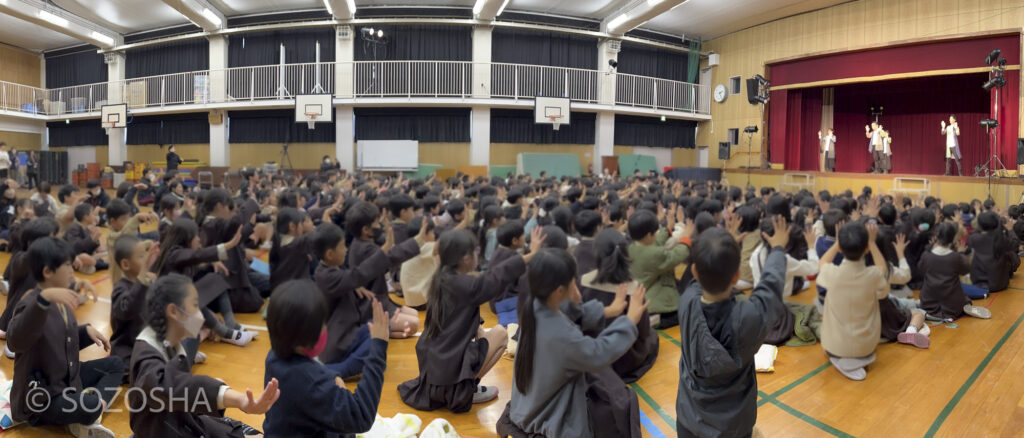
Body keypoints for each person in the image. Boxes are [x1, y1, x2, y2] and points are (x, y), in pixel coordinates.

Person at [498, 248, 646, 438]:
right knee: (619, 404)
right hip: (548, 421)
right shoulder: (560, 335)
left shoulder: (535, 305)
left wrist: (609, 310)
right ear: (559, 290)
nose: (576, 287)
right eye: (572, 282)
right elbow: (599, 353)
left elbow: (572, 310)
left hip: (526, 407)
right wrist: (630, 321)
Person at [398, 227, 545, 413]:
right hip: (447, 380)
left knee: (482, 330)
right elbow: (498, 275)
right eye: (475, 252)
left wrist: (479, 330)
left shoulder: (440, 277)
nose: (478, 255)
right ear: (466, 259)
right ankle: (467, 390)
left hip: (432, 373)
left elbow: (464, 314)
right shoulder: (468, 286)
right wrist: (531, 254)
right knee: (500, 333)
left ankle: (463, 386)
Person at [128, 274, 279, 437]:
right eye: (195, 305)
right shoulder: (146, 354)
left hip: (184, 421)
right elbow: (172, 388)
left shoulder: (173, 343)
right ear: (173, 311)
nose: (201, 314)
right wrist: (238, 399)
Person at [675, 221, 787, 437]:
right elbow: (770, 288)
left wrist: (716, 255)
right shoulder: (748, 317)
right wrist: (778, 249)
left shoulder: (687, 302)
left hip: (690, 420)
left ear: (695, 271)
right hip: (732, 427)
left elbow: (699, 278)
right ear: (736, 276)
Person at [8, 237, 123, 438]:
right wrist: (43, 301)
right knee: (89, 404)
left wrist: (84, 332)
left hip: (68, 380)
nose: (73, 269)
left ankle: (89, 415)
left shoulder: (62, 298)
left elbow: (57, 341)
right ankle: (86, 415)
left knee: (115, 365)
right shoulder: (32, 302)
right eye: (67, 265)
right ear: (47, 272)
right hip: (43, 397)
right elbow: (15, 341)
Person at [263, 281, 390, 437]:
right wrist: (378, 347)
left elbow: (310, 374)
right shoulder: (310, 382)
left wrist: (332, 376)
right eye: (323, 324)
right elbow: (361, 416)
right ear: (308, 336)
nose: (326, 328)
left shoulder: (274, 356)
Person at [579, 228, 659, 382]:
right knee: (652, 336)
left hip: (593, 354)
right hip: (625, 357)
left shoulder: (582, 281)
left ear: (596, 254)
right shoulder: (633, 287)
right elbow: (642, 331)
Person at [817, 220, 888, 380]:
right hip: (868, 347)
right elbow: (882, 268)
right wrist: (872, 242)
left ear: (840, 248)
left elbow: (822, 262)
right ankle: (855, 361)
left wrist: (837, 243)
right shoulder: (873, 275)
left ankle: (843, 360)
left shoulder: (831, 273)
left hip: (833, 347)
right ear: (867, 248)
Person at [627, 208, 689, 329]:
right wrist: (686, 238)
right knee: (688, 312)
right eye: (654, 232)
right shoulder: (653, 254)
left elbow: (655, 242)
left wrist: (668, 229)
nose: (656, 235)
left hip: (640, 299)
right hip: (657, 309)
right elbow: (677, 255)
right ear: (648, 235)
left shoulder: (632, 247)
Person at [919, 222, 992, 320]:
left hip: (928, 303)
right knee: (965, 299)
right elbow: (965, 270)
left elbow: (921, 269)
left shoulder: (926, 255)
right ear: (952, 237)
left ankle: (933, 314)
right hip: (951, 305)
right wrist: (961, 253)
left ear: (937, 236)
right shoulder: (955, 257)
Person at [109, 235, 160, 374]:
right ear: (126, 264)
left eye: (145, 256)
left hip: (148, 346)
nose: (146, 261)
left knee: (189, 337)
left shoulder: (147, 282)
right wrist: (144, 276)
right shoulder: (120, 288)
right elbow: (128, 308)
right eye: (141, 257)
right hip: (129, 353)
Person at [968, 211, 1021, 293]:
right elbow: (1015, 245)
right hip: (1001, 284)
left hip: (980, 284)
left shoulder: (974, 238)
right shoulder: (1001, 239)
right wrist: (1010, 230)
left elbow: (973, 233)